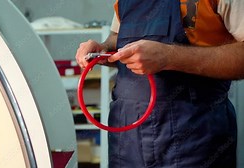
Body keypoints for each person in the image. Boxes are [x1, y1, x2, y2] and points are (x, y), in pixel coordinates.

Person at [75, 0, 243, 167]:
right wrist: (102, 50)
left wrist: (169, 57)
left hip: (195, 138)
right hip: (127, 141)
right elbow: (117, 37)